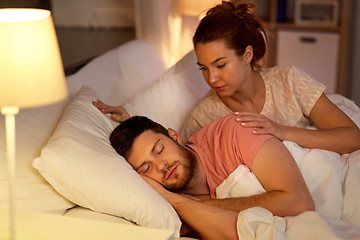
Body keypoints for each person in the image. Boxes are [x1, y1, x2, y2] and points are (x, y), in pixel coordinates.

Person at [93, 1, 360, 155]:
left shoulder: (289, 82)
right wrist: (134, 122)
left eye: (220, 65)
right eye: (204, 68)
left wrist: (281, 131)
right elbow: (184, 158)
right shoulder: (205, 115)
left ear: (246, 54)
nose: (212, 78)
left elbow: (352, 137)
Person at [110, 115, 315, 239]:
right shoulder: (170, 207)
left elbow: (299, 202)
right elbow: (235, 236)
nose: (161, 165)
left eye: (160, 149)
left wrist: (201, 207)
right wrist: (174, 201)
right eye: (146, 169)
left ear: (174, 136)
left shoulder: (232, 132)